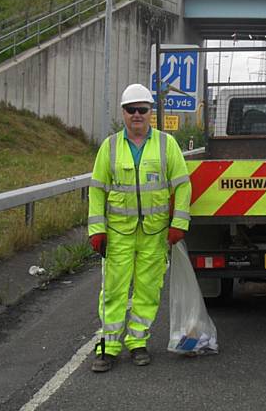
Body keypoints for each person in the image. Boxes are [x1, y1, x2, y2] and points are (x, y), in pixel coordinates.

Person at [88, 83, 191, 372]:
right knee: (113, 290)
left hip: (154, 234)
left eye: (142, 110)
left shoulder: (166, 144)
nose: (137, 115)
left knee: (147, 290)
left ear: (150, 113)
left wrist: (179, 224)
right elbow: (97, 191)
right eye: (131, 110)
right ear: (123, 113)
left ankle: (138, 342)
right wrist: (97, 230)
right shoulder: (109, 147)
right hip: (118, 233)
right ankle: (108, 346)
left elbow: (182, 186)